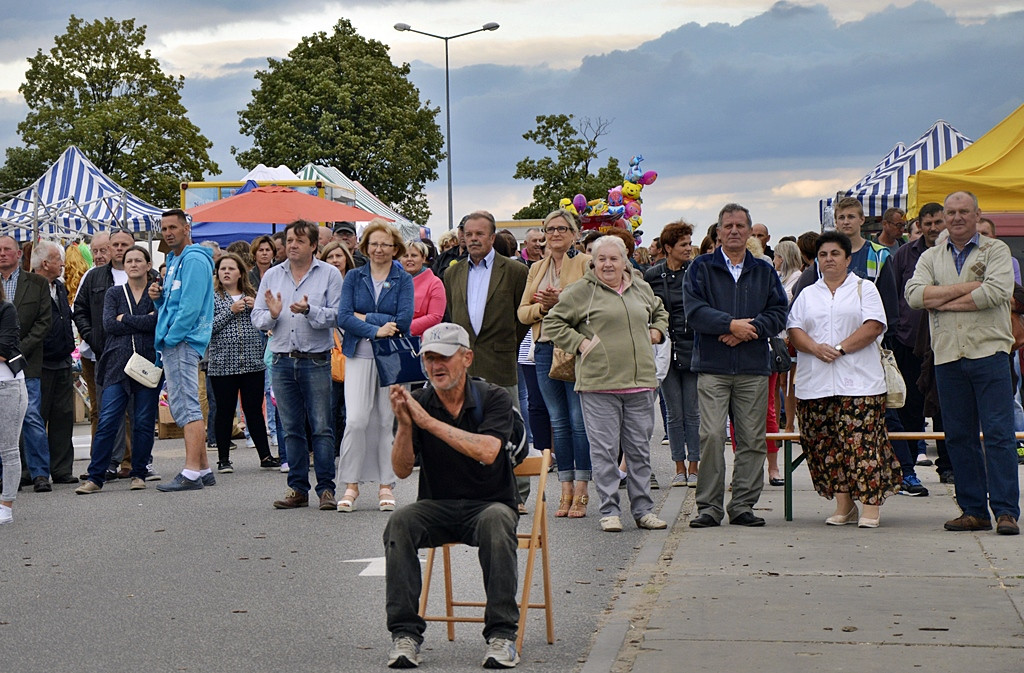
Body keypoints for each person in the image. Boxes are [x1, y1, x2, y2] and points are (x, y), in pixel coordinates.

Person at [382, 322, 521, 669]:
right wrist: (404, 425)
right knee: (400, 522)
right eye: (429, 358)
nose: (435, 366)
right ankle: (405, 635)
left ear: (467, 358)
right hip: (438, 505)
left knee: (496, 521)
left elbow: (488, 451)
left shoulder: (493, 397)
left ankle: (502, 634)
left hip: (489, 504)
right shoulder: (420, 401)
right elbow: (401, 470)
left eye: (443, 357)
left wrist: (427, 423)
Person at [906, 191, 1020, 536]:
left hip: (989, 354)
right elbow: (914, 296)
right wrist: (971, 288)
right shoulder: (930, 256)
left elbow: (997, 292)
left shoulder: (995, 250)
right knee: (958, 436)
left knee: (999, 435)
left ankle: (1005, 511)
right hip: (948, 356)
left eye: (963, 212)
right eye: (950, 212)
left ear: (976, 215)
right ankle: (973, 510)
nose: (956, 218)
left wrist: (942, 301)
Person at [545, 235, 669, 533]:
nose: (608, 264)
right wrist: (581, 343)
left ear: (625, 261)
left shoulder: (640, 286)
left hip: (639, 383)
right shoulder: (580, 292)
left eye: (614, 258)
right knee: (603, 450)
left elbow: (660, 311)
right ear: (594, 262)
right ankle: (609, 510)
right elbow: (553, 323)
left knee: (638, 451)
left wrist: (657, 331)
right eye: (602, 259)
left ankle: (643, 510)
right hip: (598, 385)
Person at [683, 203, 788, 529]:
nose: (734, 231)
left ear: (749, 230)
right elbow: (694, 311)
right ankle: (709, 508)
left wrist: (750, 330)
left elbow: (779, 312)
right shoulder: (701, 268)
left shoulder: (764, 270)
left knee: (752, 439)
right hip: (713, 367)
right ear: (718, 232)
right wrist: (730, 325)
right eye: (727, 226)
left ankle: (743, 505)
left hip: (753, 368)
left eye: (740, 226)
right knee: (712, 436)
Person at [786, 232, 902, 527]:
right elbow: (794, 330)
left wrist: (840, 348)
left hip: (860, 382)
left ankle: (871, 509)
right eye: (823, 255)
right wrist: (814, 348)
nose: (829, 260)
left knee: (863, 446)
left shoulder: (865, 289)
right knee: (827, 447)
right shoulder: (808, 293)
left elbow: (874, 326)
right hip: (817, 384)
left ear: (848, 259)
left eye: (835, 254)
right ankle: (844, 507)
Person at [253, 219, 343, 510]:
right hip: (280, 359)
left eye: (299, 241)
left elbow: (339, 314)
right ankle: (297, 488)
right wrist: (273, 315)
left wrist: (310, 310)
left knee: (321, 427)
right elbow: (257, 316)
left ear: (314, 245)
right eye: (290, 240)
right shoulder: (272, 276)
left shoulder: (329, 274)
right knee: (291, 427)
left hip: (315, 359)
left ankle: (326, 489)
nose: (292, 245)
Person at [445, 210, 531, 511]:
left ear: (492, 237)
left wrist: (506, 345)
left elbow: (522, 319)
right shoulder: (452, 273)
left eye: (479, 234)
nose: (473, 239)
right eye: (468, 234)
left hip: (500, 359)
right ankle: (473, 490)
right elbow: (453, 318)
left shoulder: (516, 271)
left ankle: (518, 493)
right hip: (465, 364)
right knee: (467, 428)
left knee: (509, 426)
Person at [336, 219, 413, 513]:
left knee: (385, 422)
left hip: (392, 357)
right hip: (358, 355)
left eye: (386, 244)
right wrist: (377, 326)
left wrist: (365, 318)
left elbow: (404, 320)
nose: (379, 249)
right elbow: (343, 317)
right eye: (374, 244)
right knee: (356, 420)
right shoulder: (354, 277)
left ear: (395, 248)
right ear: (365, 246)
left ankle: (385, 485)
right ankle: (351, 484)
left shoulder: (403, 279)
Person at [517, 209, 591, 516]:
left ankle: (583, 489)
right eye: (550, 229)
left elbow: (593, 306)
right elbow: (522, 313)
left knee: (577, 420)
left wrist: (559, 302)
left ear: (574, 234)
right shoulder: (536, 267)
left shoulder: (586, 263)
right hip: (544, 347)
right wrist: (543, 309)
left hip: (574, 348)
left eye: (562, 228)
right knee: (557, 422)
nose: (556, 233)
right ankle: (565, 488)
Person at [75, 246, 163, 494]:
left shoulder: (156, 293)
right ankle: (95, 477)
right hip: (116, 363)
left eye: (138, 260)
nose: (133, 264)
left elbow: (157, 321)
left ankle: (139, 472)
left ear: (148, 265)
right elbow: (107, 325)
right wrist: (139, 321)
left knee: (144, 421)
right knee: (107, 419)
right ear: (124, 266)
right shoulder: (114, 293)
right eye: (129, 261)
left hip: (147, 363)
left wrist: (125, 319)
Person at [151, 209, 217, 493]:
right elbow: (174, 304)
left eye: (173, 227)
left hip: (182, 340)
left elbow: (190, 307)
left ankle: (191, 472)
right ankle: (202, 468)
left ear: (186, 228)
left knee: (186, 404)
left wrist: (169, 337)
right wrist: (158, 298)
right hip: (179, 339)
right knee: (183, 403)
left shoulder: (193, 259)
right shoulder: (175, 258)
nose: (168, 233)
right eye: (164, 228)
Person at [889, 202, 953, 482]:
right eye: (927, 223)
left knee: (945, 408)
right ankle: (907, 470)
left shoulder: (953, 253)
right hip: (909, 342)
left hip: (947, 342)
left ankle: (948, 467)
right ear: (919, 226)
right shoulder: (904, 255)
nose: (933, 228)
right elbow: (893, 294)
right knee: (909, 407)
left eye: (937, 222)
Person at [73, 228, 144, 480]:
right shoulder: (93, 277)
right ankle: (106, 463)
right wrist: (92, 338)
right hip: (101, 353)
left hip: (139, 354)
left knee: (138, 410)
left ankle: (138, 462)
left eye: (125, 244)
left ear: (134, 246)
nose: (118, 249)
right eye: (114, 245)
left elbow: (155, 314)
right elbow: (79, 310)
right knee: (105, 411)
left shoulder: (146, 274)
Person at [206, 253, 276, 473]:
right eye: (222, 268)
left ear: (240, 273)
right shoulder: (212, 297)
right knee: (225, 411)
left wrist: (257, 307)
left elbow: (266, 323)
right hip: (222, 363)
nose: (226, 272)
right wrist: (230, 311)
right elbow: (206, 328)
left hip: (252, 362)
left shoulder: (251, 294)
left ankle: (265, 456)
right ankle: (223, 459)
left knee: (253, 409)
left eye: (231, 268)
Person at [645, 220, 700, 487]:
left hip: (693, 346)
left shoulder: (697, 272)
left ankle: (695, 466)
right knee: (673, 413)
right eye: (683, 244)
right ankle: (679, 468)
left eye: (690, 243)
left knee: (693, 411)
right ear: (668, 247)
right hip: (665, 349)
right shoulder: (652, 276)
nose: (689, 248)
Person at [0, 235, 51, 493]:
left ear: (19, 254)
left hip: (26, 363)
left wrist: (15, 351)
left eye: (7, 249)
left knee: (31, 417)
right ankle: (4, 476)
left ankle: (40, 473)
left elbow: (44, 323)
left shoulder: (38, 283)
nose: (2, 254)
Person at [31, 241, 78, 485]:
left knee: (63, 416)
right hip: (39, 362)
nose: (62, 263)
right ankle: (31, 471)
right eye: (58, 259)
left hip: (62, 360)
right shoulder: (28, 287)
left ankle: (61, 469)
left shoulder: (59, 287)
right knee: (35, 418)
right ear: (45, 263)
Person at [320, 241, 355, 454]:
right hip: (328, 347)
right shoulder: (320, 284)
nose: (335, 260)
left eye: (338, 256)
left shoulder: (356, 282)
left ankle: (349, 447)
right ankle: (331, 447)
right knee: (330, 404)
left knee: (350, 405)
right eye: (330, 257)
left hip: (352, 345)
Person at [0, 282, 28, 523]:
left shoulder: (6, 309)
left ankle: (6, 505)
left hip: (6, 385)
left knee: (8, 449)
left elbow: (4, 348)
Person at [401, 240, 446, 337]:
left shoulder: (435, 283)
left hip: (423, 343)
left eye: (414, 255)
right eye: (405, 256)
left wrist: (403, 328)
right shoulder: (393, 281)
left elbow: (435, 317)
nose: (409, 259)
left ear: (423, 258)